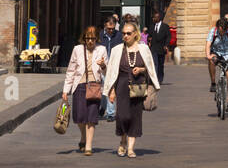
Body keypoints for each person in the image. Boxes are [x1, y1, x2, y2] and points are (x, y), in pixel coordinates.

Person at [105, 16, 159, 157]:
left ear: (136, 34)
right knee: (122, 116)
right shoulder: (117, 50)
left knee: (135, 116)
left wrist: (141, 70)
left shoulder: (144, 48)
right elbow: (111, 72)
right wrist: (111, 90)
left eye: (129, 33)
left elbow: (151, 68)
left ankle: (130, 148)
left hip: (138, 86)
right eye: (123, 33)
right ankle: (122, 141)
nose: (125, 36)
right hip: (122, 86)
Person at [63, 25, 107, 155]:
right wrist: (66, 90)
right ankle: (83, 136)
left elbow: (107, 71)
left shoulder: (102, 49)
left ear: (96, 38)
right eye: (88, 38)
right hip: (79, 86)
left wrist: (103, 65)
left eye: (93, 38)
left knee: (92, 117)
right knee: (79, 117)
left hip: (94, 86)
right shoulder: (77, 49)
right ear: (84, 38)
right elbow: (70, 70)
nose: (90, 41)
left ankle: (88, 145)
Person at [99, 14, 124, 120]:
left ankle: (110, 113)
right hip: (101, 65)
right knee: (103, 88)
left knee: (109, 87)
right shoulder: (100, 35)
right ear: (105, 25)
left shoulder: (119, 36)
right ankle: (103, 107)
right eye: (109, 28)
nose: (110, 31)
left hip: (114, 65)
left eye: (112, 29)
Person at [206, 16, 228, 92]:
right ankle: (213, 83)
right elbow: (208, 44)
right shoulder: (213, 31)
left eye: (224, 31)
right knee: (211, 60)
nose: (222, 33)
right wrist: (208, 55)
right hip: (216, 52)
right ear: (217, 27)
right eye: (220, 31)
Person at [149, 9, 171, 85]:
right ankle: (155, 79)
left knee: (160, 64)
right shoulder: (152, 26)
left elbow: (168, 36)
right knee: (155, 64)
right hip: (154, 48)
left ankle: (160, 78)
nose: (153, 19)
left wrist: (166, 45)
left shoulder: (165, 26)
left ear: (158, 18)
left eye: (154, 17)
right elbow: (149, 35)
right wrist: (149, 39)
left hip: (161, 48)